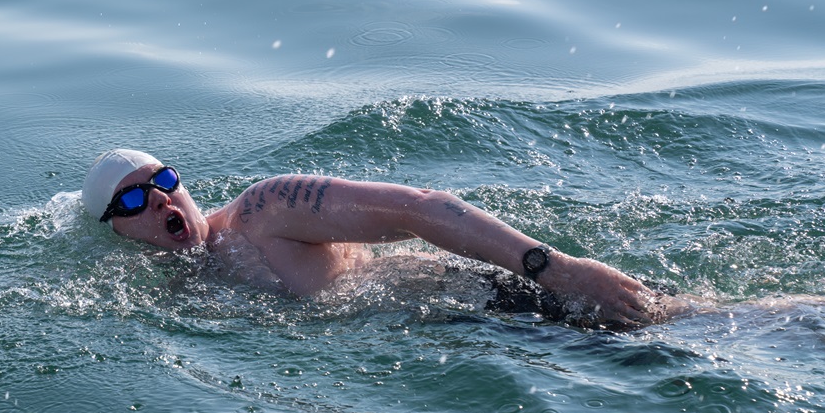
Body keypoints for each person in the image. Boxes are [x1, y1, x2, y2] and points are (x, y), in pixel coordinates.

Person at [82, 148, 690, 329]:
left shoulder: (261, 212)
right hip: (474, 334)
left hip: (508, 301)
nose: (161, 198)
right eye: (134, 198)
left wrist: (555, 269)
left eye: (164, 179)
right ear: (117, 229)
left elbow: (422, 209)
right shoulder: (179, 290)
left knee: (708, 328)